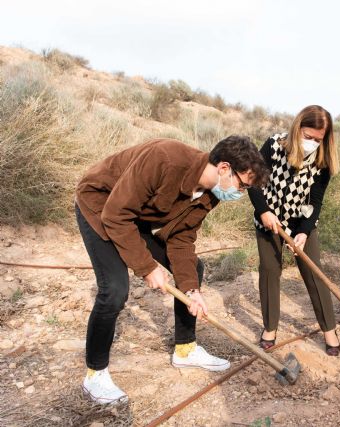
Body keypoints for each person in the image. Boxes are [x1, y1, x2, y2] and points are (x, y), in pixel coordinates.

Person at [75, 136, 268, 404]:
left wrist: (191, 289)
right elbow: (116, 215)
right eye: (243, 185)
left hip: (133, 216)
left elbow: (181, 237)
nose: (240, 193)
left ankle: (186, 350)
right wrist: (146, 267)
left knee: (193, 269)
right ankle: (95, 376)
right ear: (224, 168)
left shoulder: (211, 193)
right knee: (115, 289)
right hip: (101, 206)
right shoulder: (165, 159)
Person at [248, 105, 340, 356]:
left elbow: (316, 200)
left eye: (318, 139)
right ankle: (270, 328)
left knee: (313, 272)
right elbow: (253, 181)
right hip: (269, 218)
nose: (312, 143)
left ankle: (329, 330)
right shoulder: (274, 145)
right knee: (269, 270)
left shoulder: (323, 158)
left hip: (301, 222)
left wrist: (304, 231)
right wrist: (263, 212)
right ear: (298, 128)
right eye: (308, 136)